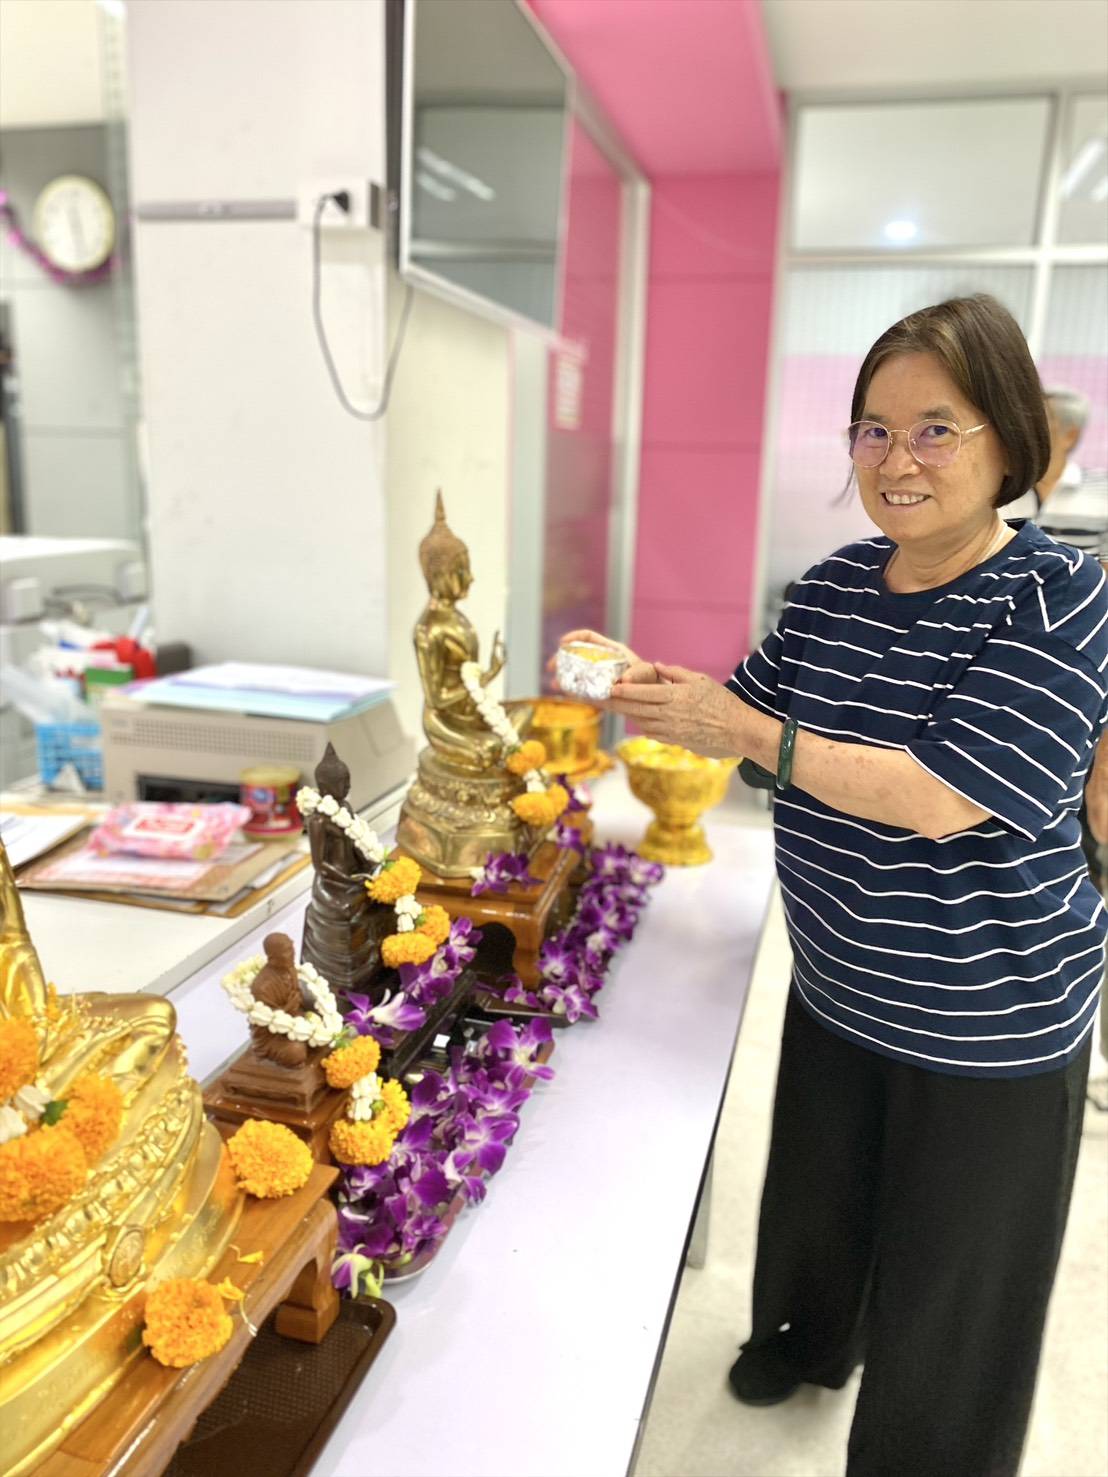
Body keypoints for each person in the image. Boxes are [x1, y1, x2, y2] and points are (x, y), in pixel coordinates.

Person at [559, 295, 1108, 1477]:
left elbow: (939, 795)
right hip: (839, 982)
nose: (896, 460)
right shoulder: (832, 587)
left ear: (1008, 441)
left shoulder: (1057, 595)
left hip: (987, 1017)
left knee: (953, 1290)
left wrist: (741, 728)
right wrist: (653, 687)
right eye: (872, 430)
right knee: (821, 1202)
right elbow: (741, 719)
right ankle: (805, 1342)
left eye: (935, 428)